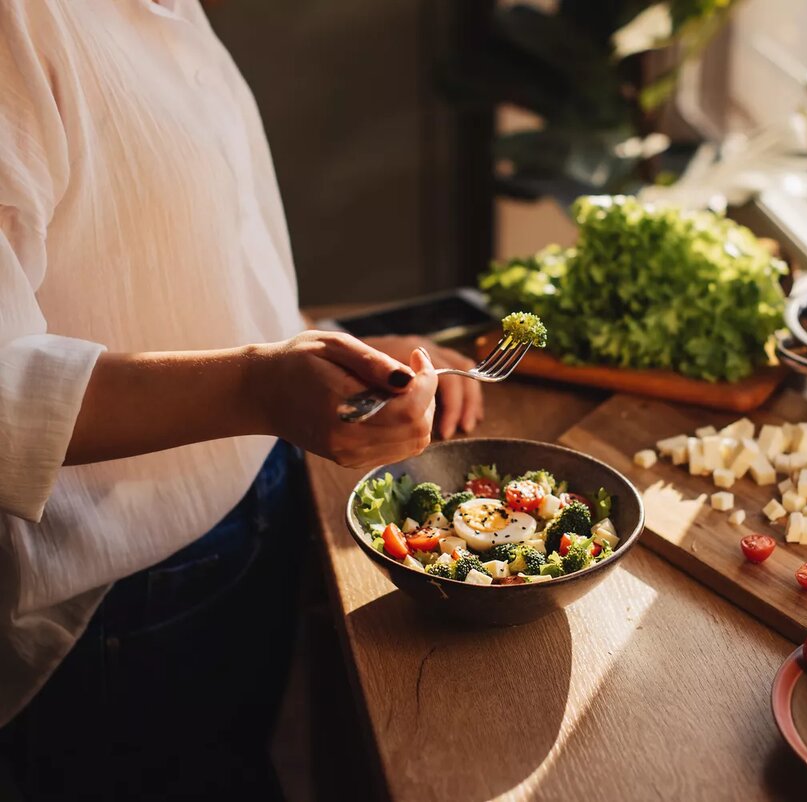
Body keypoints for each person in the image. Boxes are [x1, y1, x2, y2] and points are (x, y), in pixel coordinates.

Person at [0, 1, 483, 798]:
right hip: (121, 596)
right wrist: (260, 384)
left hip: (255, 505)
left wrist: (332, 347)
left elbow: (197, 245)